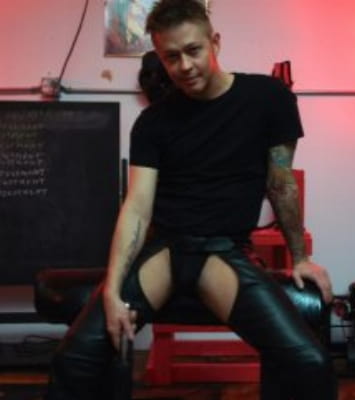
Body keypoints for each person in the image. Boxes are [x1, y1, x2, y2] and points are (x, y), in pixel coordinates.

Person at [44, 0, 337, 399]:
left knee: (308, 362)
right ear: (159, 57)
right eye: (171, 57)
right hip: (165, 250)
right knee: (76, 357)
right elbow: (137, 207)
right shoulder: (153, 122)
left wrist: (300, 257)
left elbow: (280, 182)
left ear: (215, 42)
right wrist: (112, 290)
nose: (184, 65)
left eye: (193, 50)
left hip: (223, 250)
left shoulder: (269, 97)